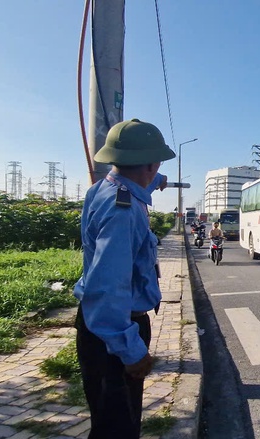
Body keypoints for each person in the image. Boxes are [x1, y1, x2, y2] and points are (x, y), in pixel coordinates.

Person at [73, 118, 175, 438]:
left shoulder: (103, 188)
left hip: (97, 326)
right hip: (115, 329)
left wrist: (155, 178)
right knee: (117, 429)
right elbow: (108, 289)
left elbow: (134, 176)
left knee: (109, 420)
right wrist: (130, 350)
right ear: (148, 163)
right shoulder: (124, 211)